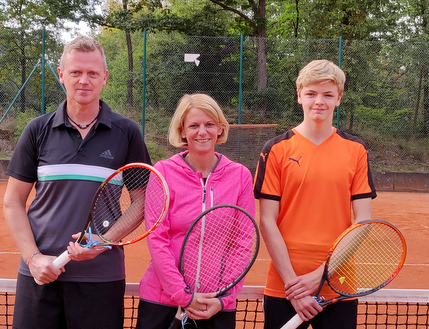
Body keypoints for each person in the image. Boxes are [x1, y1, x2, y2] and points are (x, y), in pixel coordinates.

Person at [3, 35, 150, 329]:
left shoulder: (127, 132)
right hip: (40, 275)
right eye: (76, 72)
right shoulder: (37, 130)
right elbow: (12, 202)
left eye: (92, 73)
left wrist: (104, 241)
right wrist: (33, 259)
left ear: (105, 78)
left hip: (101, 278)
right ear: (61, 76)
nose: (84, 80)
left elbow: (142, 201)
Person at [254, 59, 377, 329]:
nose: (318, 101)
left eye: (327, 94)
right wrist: (293, 285)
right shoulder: (275, 149)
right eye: (311, 93)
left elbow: (363, 221)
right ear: (299, 96)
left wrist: (321, 275)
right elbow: (267, 221)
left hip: (338, 284)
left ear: (339, 98)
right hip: (285, 285)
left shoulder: (356, 150)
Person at [135, 93, 256, 329]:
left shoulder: (240, 176)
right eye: (194, 125)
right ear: (182, 131)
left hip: (216, 305)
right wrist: (183, 295)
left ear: (220, 128)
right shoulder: (163, 173)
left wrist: (223, 297)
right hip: (162, 301)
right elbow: (157, 237)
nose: (202, 132)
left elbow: (242, 241)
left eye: (209, 124)